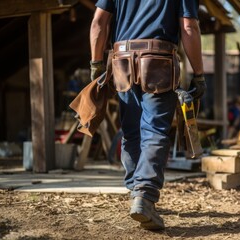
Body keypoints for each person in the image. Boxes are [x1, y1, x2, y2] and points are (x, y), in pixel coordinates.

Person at [90, 0, 205, 230]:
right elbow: (189, 26)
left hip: (122, 62)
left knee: (131, 132)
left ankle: (137, 193)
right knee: (154, 131)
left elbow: (98, 23)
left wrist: (96, 64)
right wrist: (199, 74)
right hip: (158, 62)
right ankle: (144, 195)